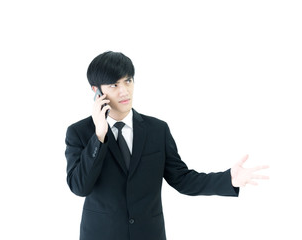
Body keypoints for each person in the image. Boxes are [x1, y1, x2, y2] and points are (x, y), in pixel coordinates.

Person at [65, 51, 269, 240]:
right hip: (101, 234)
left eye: (128, 81)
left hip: (149, 234)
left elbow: (182, 179)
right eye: (114, 85)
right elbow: (79, 187)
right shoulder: (79, 132)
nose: (124, 91)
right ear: (96, 90)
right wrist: (99, 136)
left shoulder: (157, 130)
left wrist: (228, 179)